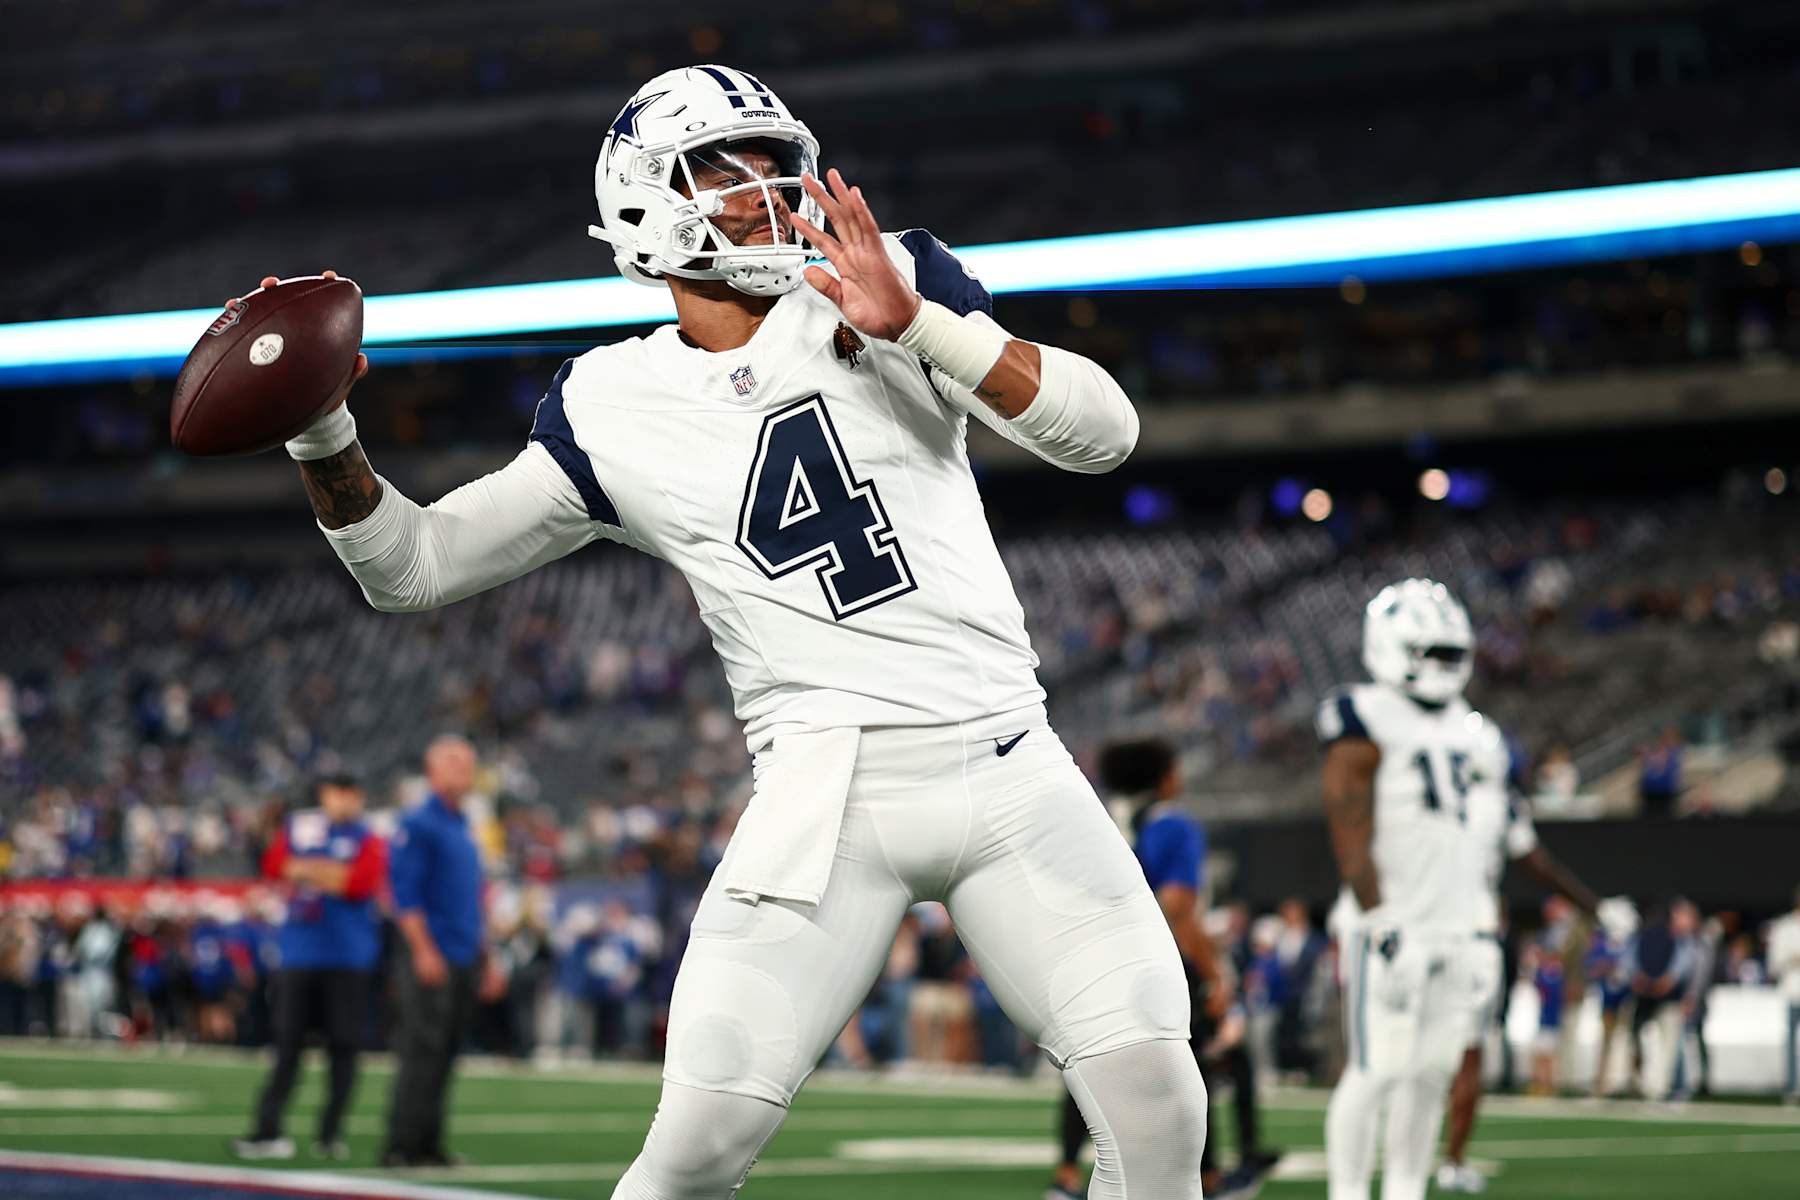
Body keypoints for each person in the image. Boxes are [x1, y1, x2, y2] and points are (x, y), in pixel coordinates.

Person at [268, 63, 1203, 1198]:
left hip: (1011, 762)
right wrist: (323, 435)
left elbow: (1104, 434)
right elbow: (413, 569)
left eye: (773, 160)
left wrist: (917, 326)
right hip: (825, 803)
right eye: (726, 169)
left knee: (1159, 1110)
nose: (765, 188)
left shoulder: (888, 273)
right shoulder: (608, 404)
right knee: (697, 1151)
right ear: (644, 207)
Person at [1318, 579, 1499, 1200]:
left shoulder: (1473, 730)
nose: (1445, 667)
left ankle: (1405, 1190)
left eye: (1453, 654)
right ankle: (1346, 1191)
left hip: (1453, 923)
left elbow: (1474, 839)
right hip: (1392, 923)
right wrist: (1380, 918)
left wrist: (1479, 930)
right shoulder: (1362, 711)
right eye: (1433, 653)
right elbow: (1349, 827)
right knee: (1376, 1070)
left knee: (1432, 1073)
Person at [1049, 739, 1277, 1200]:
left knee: (1089, 1059)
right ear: (1163, 776)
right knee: (1196, 1063)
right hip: (1156, 960)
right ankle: (1210, 1176)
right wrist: (1215, 973)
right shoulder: (1175, 826)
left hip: (1097, 955)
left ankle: (1067, 1172)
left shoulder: (1099, 818)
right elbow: (1177, 906)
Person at [1435, 738, 1600, 1193]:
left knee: (1409, 1061)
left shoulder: (1424, 791)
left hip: (1422, 932)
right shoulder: (1499, 806)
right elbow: (1538, 865)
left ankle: (1398, 1169)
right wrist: (1593, 905)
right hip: (1473, 936)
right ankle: (1451, 1161)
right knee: (1469, 1055)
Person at [235, 773, 387, 1162]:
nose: (341, 801)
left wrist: (305, 868)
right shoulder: (299, 828)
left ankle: (331, 1133)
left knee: (344, 1047)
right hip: (300, 954)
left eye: (348, 793)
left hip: (348, 957)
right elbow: (273, 865)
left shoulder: (368, 837)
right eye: (334, 793)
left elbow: (359, 883)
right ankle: (268, 1130)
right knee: (286, 1044)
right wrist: (326, 870)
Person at [383, 736, 501, 1168]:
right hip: (433, 954)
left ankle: (428, 1143)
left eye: (469, 763)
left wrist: (487, 959)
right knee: (421, 1048)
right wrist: (423, 950)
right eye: (455, 762)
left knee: (447, 1050)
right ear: (431, 769)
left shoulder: (462, 826)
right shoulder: (418, 823)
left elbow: (473, 899)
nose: (465, 770)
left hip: (464, 954)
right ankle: (400, 1144)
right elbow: (405, 896)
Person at [1769, 886, 1800, 1104]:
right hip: (1792, 992)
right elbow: (1774, 964)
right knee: (1790, 1043)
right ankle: (1791, 1088)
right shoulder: (1784, 927)